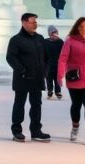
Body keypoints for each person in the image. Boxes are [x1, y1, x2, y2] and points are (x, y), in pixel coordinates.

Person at [5, 12, 51, 142]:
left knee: (37, 104)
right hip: (23, 78)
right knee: (19, 104)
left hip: (37, 78)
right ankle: (17, 131)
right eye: (32, 22)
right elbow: (10, 58)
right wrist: (22, 70)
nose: (35, 24)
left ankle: (36, 131)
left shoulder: (40, 38)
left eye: (36, 22)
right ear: (24, 23)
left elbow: (47, 58)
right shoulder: (16, 40)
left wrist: (45, 71)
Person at [57, 17, 85, 143]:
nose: (84, 29)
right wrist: (60, 75)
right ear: (77, 27)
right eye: (81, 26)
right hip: (75, 78)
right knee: (76, 105)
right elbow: (63, 59)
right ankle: (75, 127)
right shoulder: (70, 41)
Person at [44, 25, 64, 99]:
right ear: (49, 34)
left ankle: (58, 92)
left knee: (57, 78)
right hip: (48, 64)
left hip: (57, 64)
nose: (54, 35)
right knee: (49, 78)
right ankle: (50, 91)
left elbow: (64, 52)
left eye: (56, 33)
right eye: (53, 33)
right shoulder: (45, 42)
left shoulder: (60, 42)